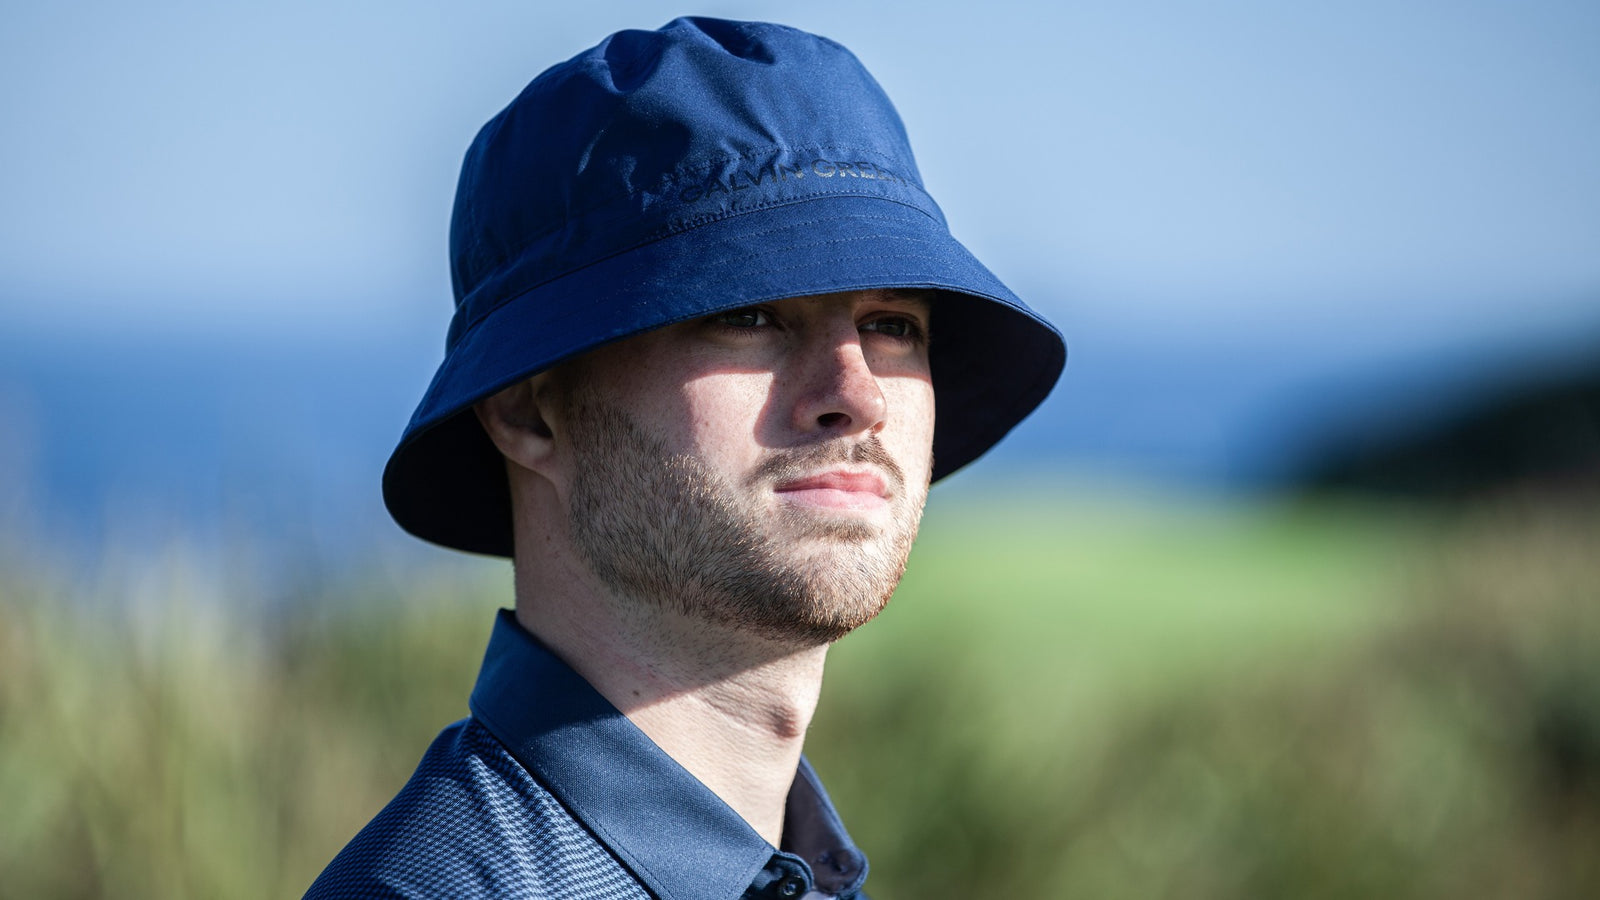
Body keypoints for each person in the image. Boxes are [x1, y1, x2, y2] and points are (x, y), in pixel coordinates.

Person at [306, 16, 1064, 899]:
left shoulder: (798, 872)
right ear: (528, 411)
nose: (858, 394)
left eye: (891, 326)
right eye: (747, 314)